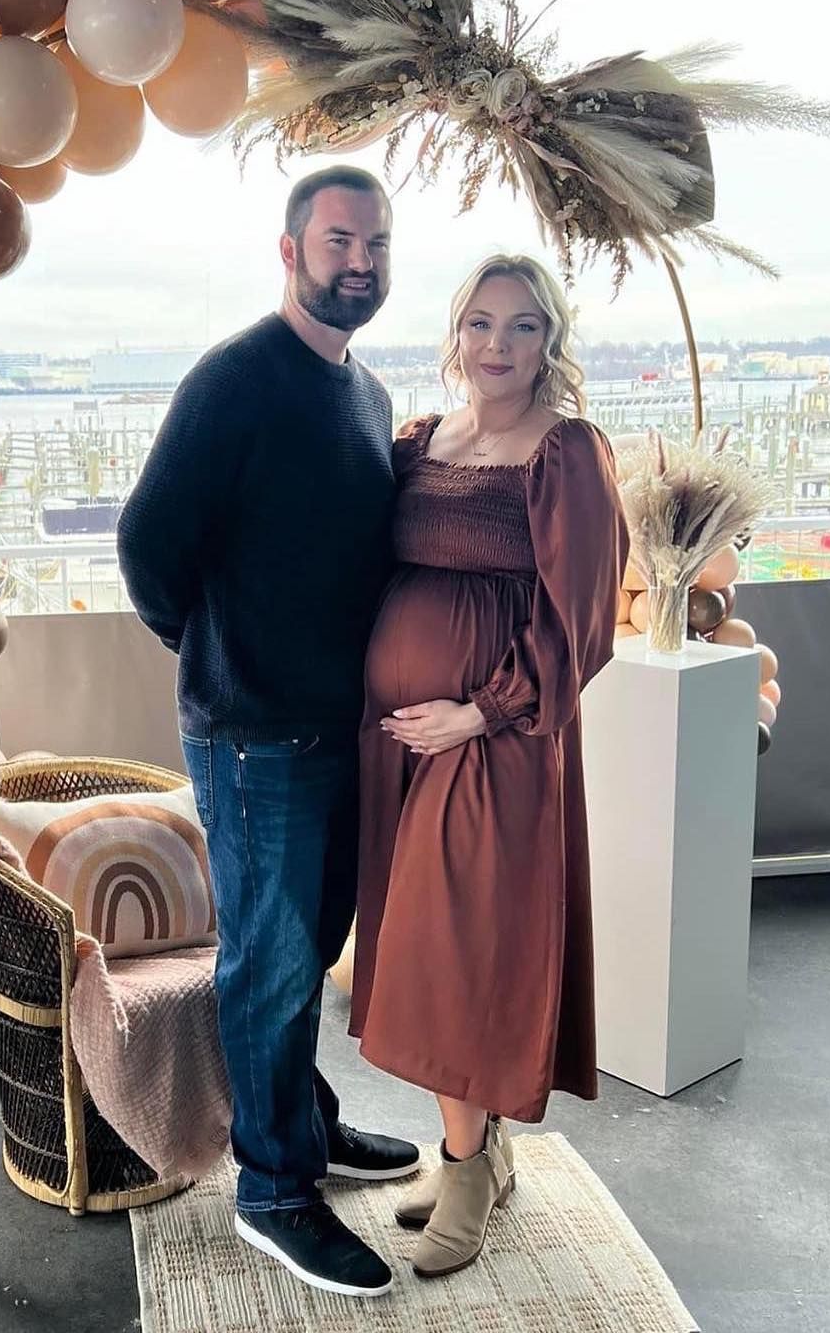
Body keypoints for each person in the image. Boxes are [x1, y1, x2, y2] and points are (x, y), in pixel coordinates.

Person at [118, 166, 419, 1299]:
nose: (360, 262)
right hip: (254, 736)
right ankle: (273, 1192)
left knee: (310, 953)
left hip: (342, 732)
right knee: (272, 962)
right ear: (289, 251)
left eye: (377, 244)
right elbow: (150, 546)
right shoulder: (235, 381)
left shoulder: (367, 396)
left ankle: (308, 1123)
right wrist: (217, 659)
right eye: (339, 240)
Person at [352, 253, 629, 1279]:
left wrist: (480, 709)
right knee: (419, 947)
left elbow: (584, 617)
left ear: (550, 338)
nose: (498, 346)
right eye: (480, 324)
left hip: (495, 741)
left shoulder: (567, 454)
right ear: (455, 334)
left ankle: (468, 1171)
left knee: (458, 951)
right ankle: (475, 1152)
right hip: (400, 735)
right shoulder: (425, 440)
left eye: (520, 327)